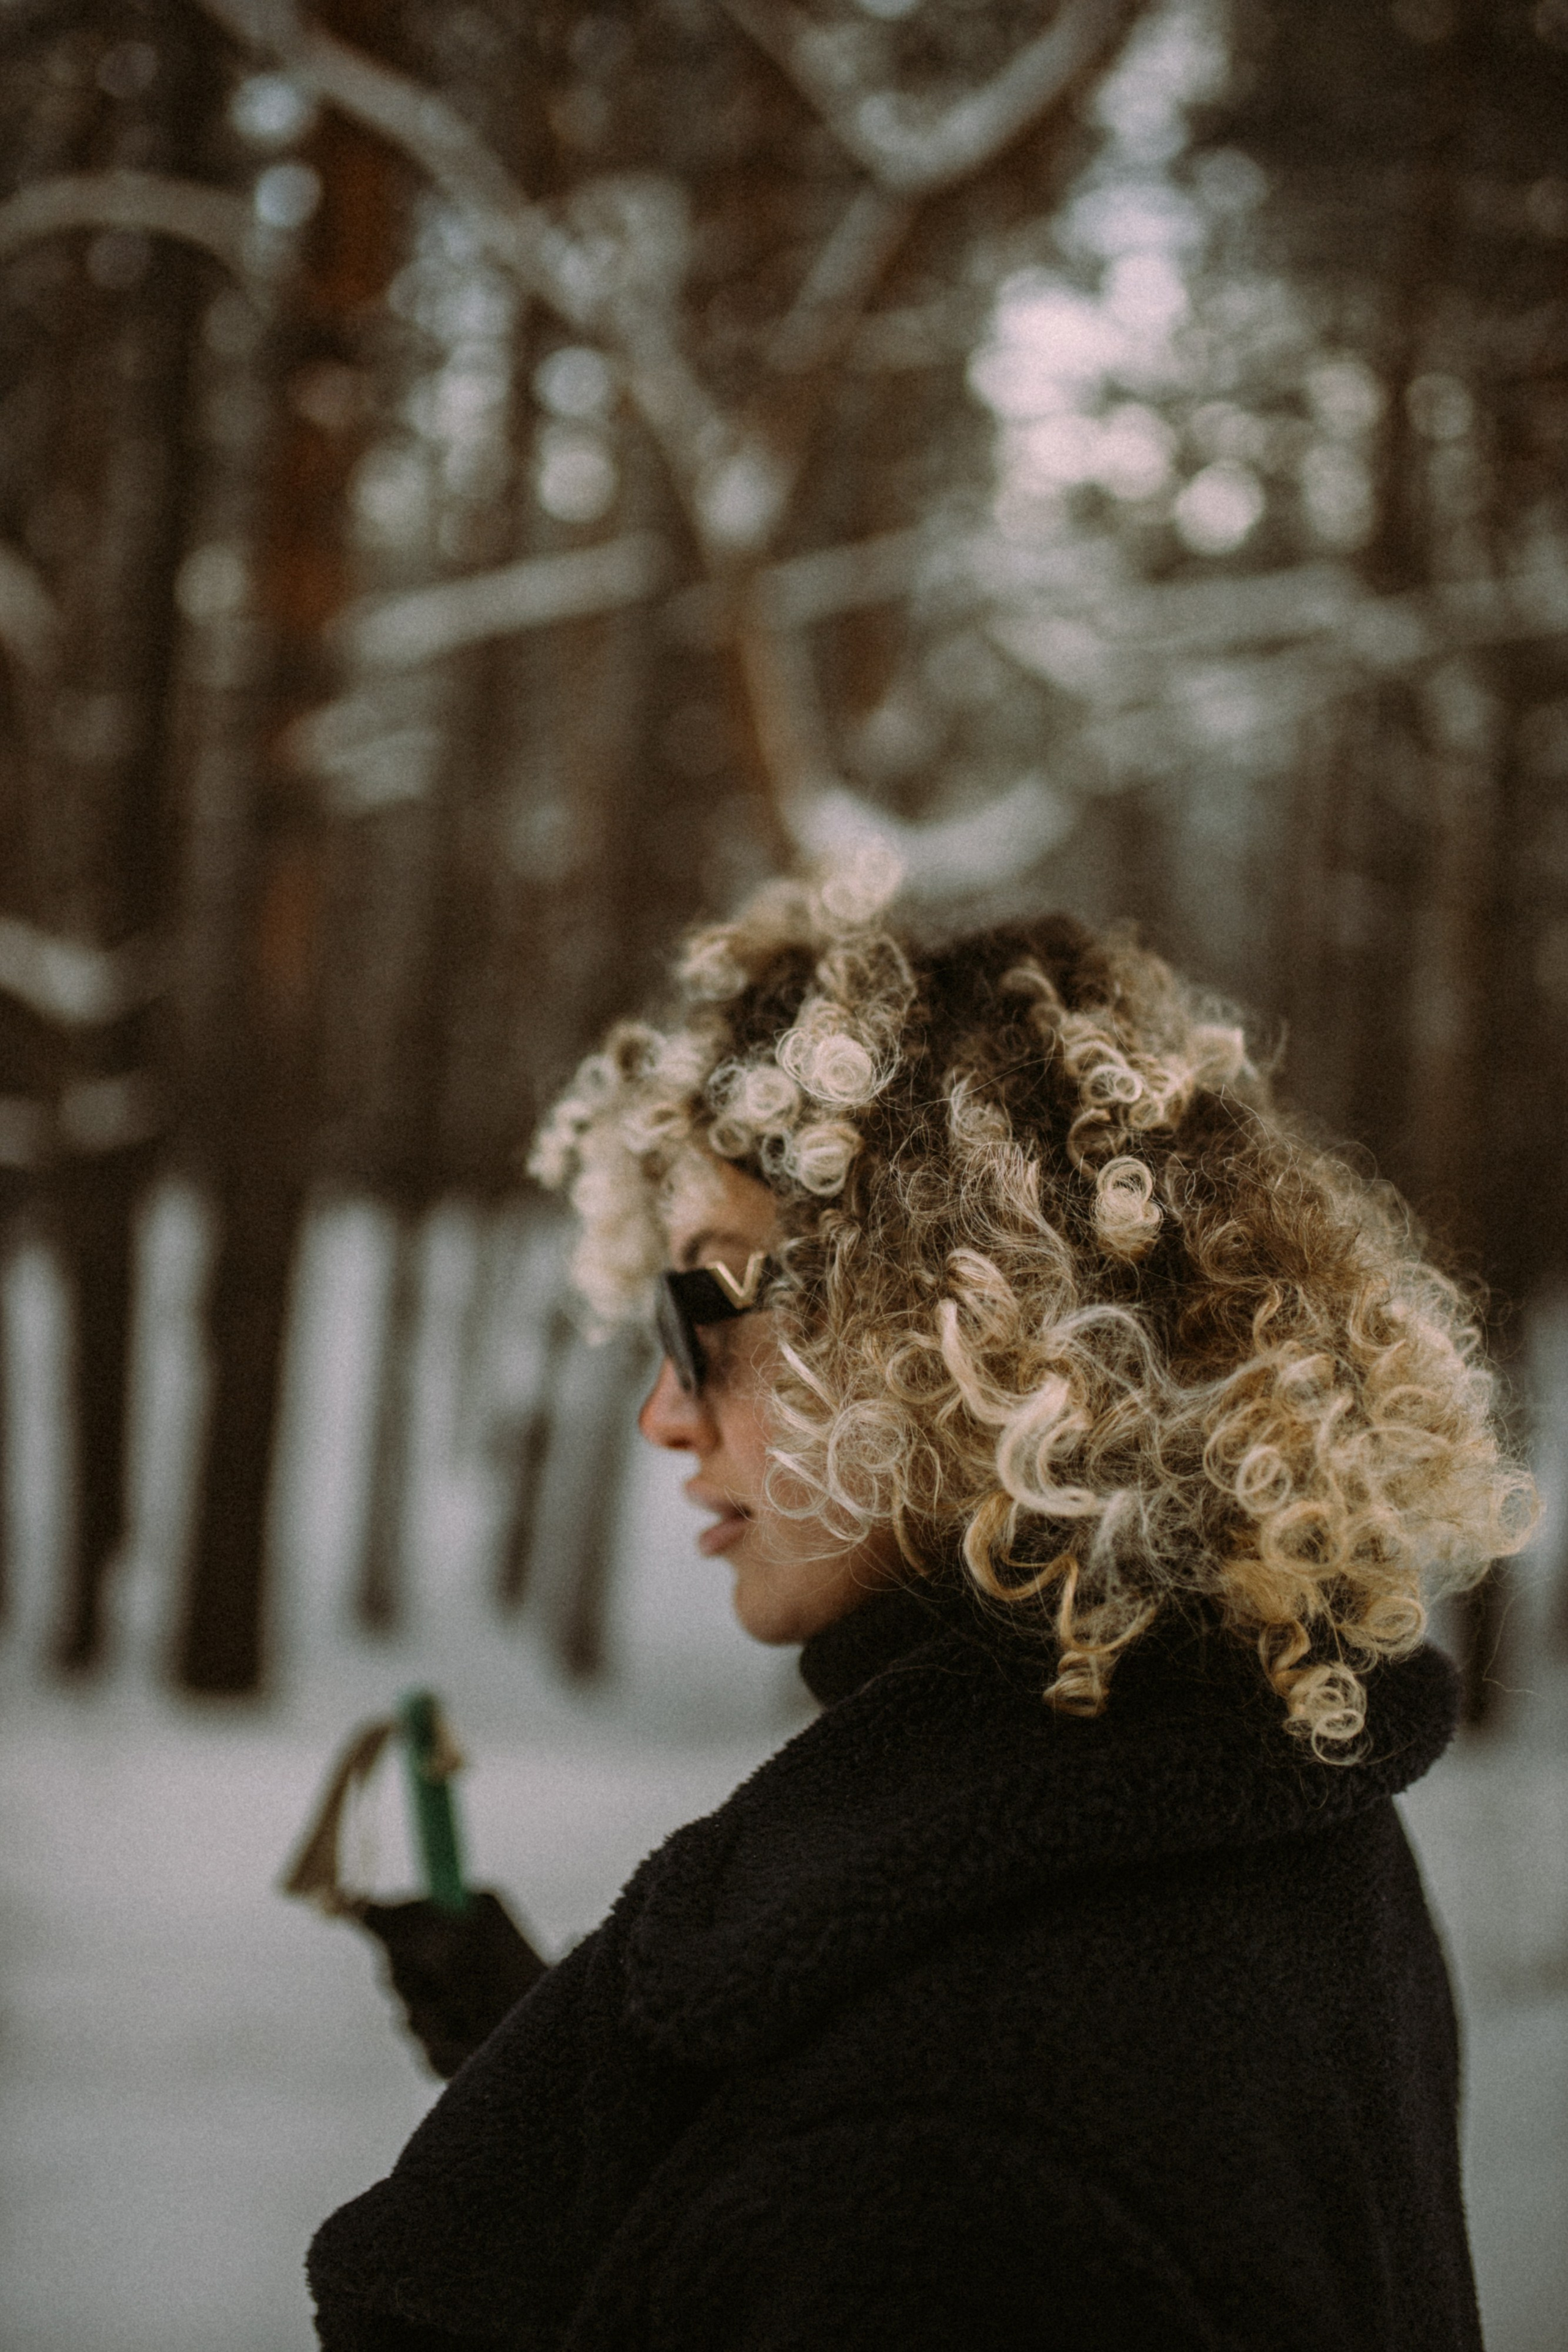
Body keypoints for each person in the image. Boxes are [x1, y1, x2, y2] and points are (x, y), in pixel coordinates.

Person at [308, 861, 1532, 2351]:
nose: (661, 1418)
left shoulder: (948, 2158)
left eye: (709, 1313)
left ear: (960, 1328)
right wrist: (561, 2059)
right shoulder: (1254, 1791)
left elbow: (925, 2159)